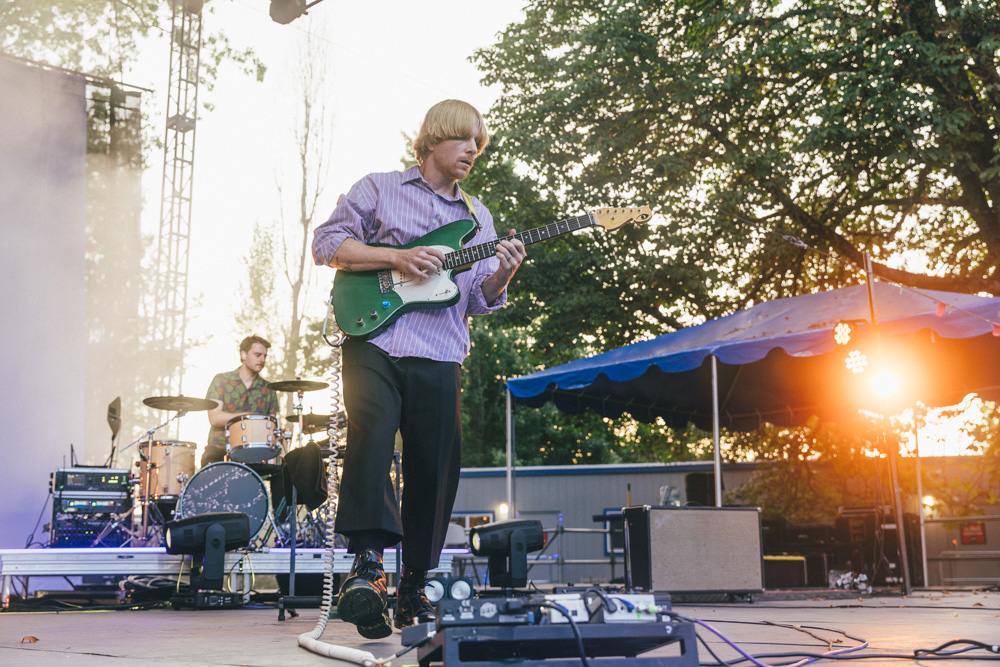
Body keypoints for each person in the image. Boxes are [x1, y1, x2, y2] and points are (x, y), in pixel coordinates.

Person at [311, 99, 526, 638]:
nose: (473, 150)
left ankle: (415, 583)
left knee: (435, 465)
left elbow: (477, 298)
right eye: (462, 139)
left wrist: (502, 276)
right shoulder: (379, 188)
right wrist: (396, 257)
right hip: (374, 336)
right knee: (373, 434)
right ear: (432, 140)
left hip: (440, 349)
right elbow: (327, 243)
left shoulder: (479, 220)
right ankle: (366, 568)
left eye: (479, 143)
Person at [202, 335, 280, 468]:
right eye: (257, 355)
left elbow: (272, 426)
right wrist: (249, 416)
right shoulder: (222, 380)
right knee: (208, 468)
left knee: (280, 471)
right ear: (243, 355)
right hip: (220, 446)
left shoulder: (269, 389)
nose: (262, 360)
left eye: (265, 356)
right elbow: (214, 418)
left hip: (255, 451)